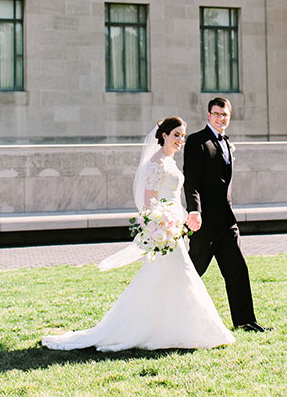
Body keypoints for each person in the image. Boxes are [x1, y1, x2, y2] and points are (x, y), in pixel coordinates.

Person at [42, 117, 235, 352]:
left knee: (168, 278)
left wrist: (182, 219)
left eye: (183, 136)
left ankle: (174, 328)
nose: (180, 140)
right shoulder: (156, 163)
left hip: (175, 227)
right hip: (165, 229)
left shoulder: (170, 161)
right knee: (178, 275)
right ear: (164, 135)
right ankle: (178, 330)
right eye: (176, 135)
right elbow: (149, 202)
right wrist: (161, 225)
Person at [183, 97, 271, 332]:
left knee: (238, 270)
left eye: (225, 115)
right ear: (208, 115)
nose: (221, 118)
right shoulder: (196, 142)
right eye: (217, 114)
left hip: (227, 222)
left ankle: (245, 321)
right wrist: (194, 210)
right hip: (205, 223)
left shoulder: (226, 143)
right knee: (192, 271)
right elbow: (191, 181)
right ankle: (171, 315)